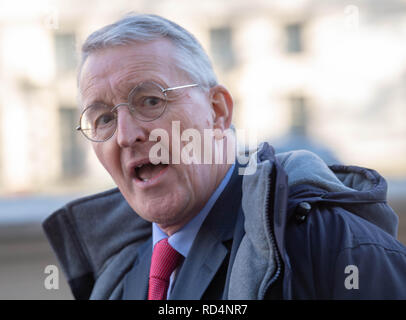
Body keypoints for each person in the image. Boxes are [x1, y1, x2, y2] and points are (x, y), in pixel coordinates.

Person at [43, 13, 406, 300]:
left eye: (150, 101)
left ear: (217, 111)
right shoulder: (119, 279)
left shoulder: (333, 246)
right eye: (104, 118)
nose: (125, 135)